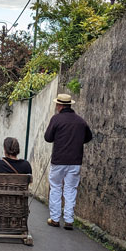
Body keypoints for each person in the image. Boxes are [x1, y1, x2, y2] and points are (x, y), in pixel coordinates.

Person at [43, 93, 93, 230]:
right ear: (69, 104)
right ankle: (69, 220)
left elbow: (48, 137)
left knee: (56, 187)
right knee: (71, 189)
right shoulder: (81, 121)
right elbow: (88, 137)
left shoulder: (56, 119)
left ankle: (54, 218)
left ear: (59, 105)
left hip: (59, 160)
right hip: (75, 161)